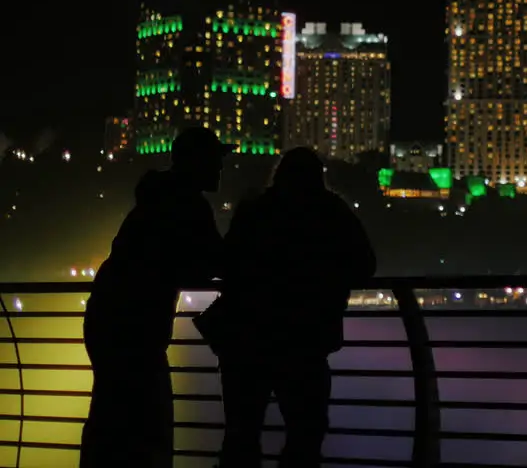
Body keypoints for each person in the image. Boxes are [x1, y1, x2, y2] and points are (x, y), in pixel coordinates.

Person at [80, 126, 232, 468]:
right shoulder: (188, 204)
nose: (220, 169)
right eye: (216, 161)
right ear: (198, 163)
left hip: (108, 319)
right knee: (149, 421)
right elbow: (216, 261)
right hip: (136, 330)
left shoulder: (157, 200)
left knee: (110, 415)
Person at [217, 147, 376, 468]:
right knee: (306, 432)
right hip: (306, 340)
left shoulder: (254, 209)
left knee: (242, 432)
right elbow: (365, 264)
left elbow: (227, 263)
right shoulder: (331, 211)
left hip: (247, 338)